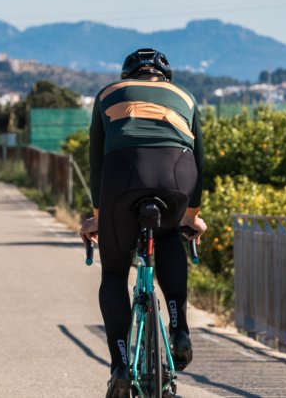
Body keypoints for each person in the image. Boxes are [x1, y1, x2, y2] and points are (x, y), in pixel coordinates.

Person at [80, 48, 208, 398]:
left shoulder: (108, 93)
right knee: (167, 237)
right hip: (177, 175)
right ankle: (179, 328)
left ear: (128, 75)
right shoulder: (185, 96)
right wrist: (192, 216)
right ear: (165, 77)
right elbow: (201, 159)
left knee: (114, 274)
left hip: (122, 175)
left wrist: (100, 218)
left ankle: (120, 365)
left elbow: (96, 160)